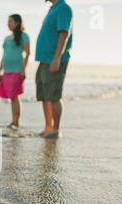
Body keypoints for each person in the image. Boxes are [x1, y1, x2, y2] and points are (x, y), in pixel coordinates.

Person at [35, 0, 73, 139]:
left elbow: (64, 34)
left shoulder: (63, 8)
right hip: (44, 59)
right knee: (44, 95)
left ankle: (56, 129)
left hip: (53, 59)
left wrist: (57, 58)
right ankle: (48, 127)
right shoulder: (53, 9)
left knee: (54, 95)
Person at [0, 14, 30, 130]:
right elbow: (4, 55)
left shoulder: (24, 36)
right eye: (8, 21)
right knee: (11, 97)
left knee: (15, 96)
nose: (8, 23)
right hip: (7, 71)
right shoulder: (6, 39)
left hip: (17, 71)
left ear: (17, 22)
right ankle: (13, 120)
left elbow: (28, 53)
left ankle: (16, 122)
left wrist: (23, 70)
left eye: (11, 21)